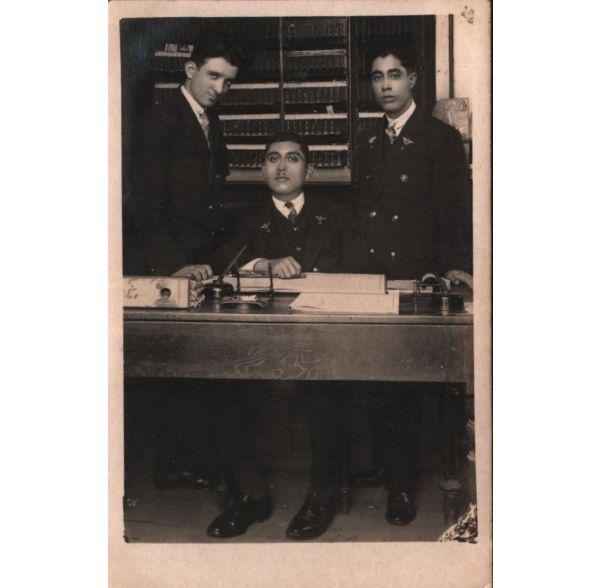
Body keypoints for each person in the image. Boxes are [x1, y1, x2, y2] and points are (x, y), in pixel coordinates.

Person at [204, 132, 362, 539]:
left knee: (329, 388)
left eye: (293, 158)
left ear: (309, 170)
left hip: (324, 336)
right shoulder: (244, 217)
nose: (281, 166)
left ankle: (321, 496)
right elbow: (221, 260)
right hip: (260, 339)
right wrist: (262, 264)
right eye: (273, 158)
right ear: (262, 169)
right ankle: (251, 496)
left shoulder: (338, 216)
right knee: (224, 387)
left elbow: (362, 266)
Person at [351, 42, 472, 525]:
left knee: (404, 382)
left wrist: (453, 266)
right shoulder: (369, 142)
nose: (385, 85)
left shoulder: (440, 138)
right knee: (376, 376)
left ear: (413, 79)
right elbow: (362, 214)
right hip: (377, 275)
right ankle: (386, 465)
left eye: (395, 74)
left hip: (420, 275)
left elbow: (455, 211)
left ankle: (402, 484)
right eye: (377, 76)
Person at [130, 31, 248, 490]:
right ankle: (175, 466)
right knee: (179, 370)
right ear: (190, 70)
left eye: (229, 81)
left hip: (202, 261)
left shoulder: (210, 121)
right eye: (214, 76)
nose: (220, 88)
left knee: (204, 368)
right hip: (172, 265)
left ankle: (196, 462)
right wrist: (172, 264)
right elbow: (147, 204)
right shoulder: (158, 121)